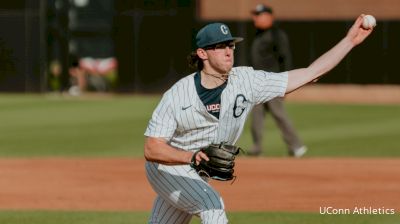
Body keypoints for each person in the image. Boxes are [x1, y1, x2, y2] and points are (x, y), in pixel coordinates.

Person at [144, 15, 373, 223]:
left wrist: (349, 41)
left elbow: (309, 73)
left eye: (230, 45)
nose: (228, 51)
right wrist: (190, 157)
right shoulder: (177, 95)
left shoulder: (246, 81)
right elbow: (152, 148)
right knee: (213, 208)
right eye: (220, 46)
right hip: (168, 168)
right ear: (202, 53)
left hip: (198, 173)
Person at [249, 4, 306, 157]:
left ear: (269, 17)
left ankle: (296, 146)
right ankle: (257, 147)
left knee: (279, 114)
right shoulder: (258, 34)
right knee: (256, 116)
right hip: (257, 82)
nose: (255, 18)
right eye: (255, 14)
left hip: (273, 82)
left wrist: (286, 83)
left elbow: (285, 58)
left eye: (258, 14)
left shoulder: (276, 35)